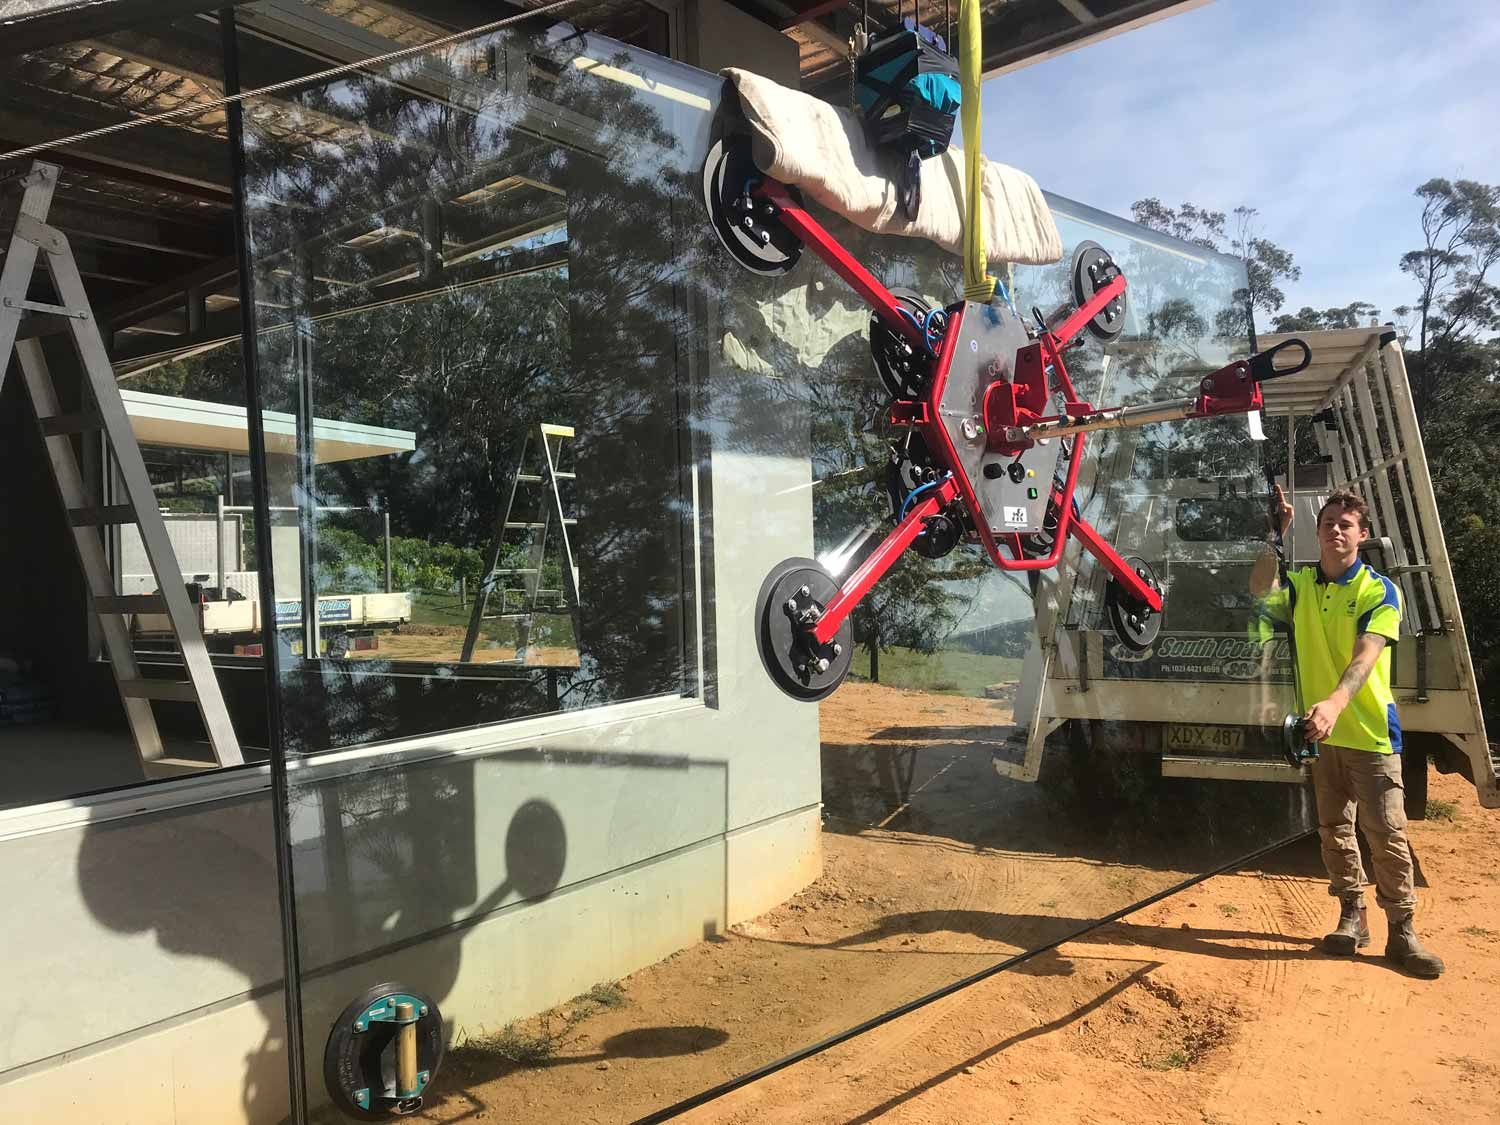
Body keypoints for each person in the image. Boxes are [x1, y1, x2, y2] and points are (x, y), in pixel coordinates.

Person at [1250, 485, 1443, 979]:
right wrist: (1274, 534)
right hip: (1322, 734)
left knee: (1387, 836)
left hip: (1369, 734)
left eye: (1345, 524)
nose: (1335, 529)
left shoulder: (1378, 590)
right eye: (1328, 522)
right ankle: (1351, 918)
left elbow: (1367, 654)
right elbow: (1257, 590)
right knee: (1335, 832)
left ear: (1362, 535)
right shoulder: (1300, 585)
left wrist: (1335, 704)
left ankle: (1402, 933)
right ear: (1316, 532)